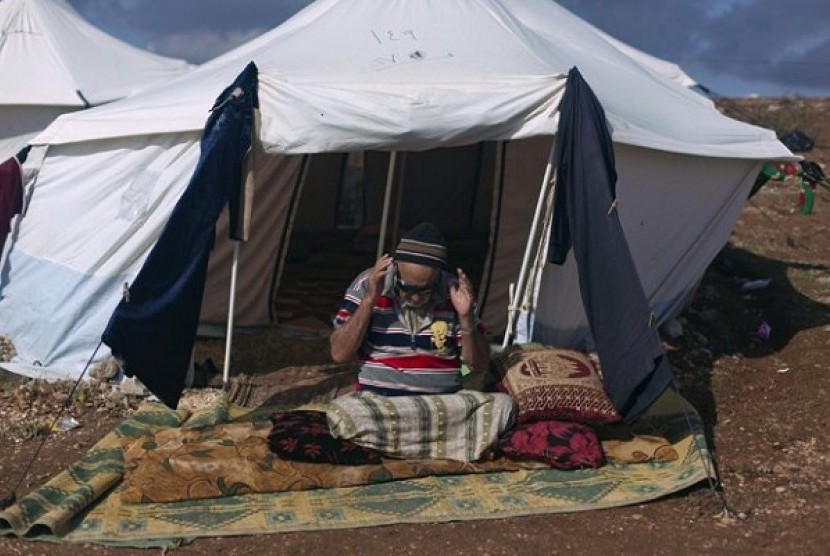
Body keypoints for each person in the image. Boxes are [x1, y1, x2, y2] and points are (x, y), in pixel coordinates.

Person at [330, 222, 490, 395]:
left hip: (441, 406)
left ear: (438, 277)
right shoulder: (370, 283)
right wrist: (369, 300)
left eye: (425, 290)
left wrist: (466, 318)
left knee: (501, 405)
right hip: (379, 403)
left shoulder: (455, 291)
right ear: (396, 269)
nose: (415, 297)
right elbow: (339, 354)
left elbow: (478, 365)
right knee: (345, 410)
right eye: (408, 288)